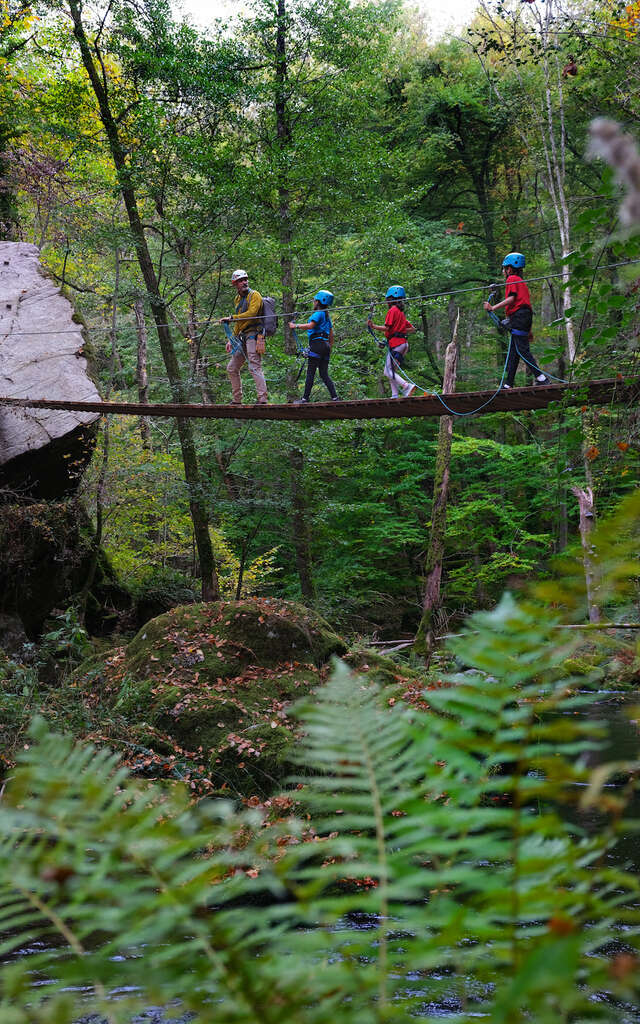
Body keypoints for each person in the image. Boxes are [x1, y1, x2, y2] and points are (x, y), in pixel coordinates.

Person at [484, 253, 549, 389]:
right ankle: (508, 383)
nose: (503, 271)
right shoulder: (521, 282)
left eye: (504, 268)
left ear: (509, 269)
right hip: (524, 317)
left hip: (519, 317)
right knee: (514, 353)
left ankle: (541, 378)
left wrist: (493, 307)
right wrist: (528, 330)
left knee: (522, 350)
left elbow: (512, 299)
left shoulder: (512, 279)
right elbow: (526, 305)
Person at [221, 269, 268, 405]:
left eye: (245, 279)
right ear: (235, 284)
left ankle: (262, 399)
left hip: (254, 334)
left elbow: (252, 313)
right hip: (242, 336)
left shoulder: (255, 295)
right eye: (240, 281)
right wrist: (231, 339)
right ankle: (237, 400)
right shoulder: (237, 299)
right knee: (232, 368)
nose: (244, 282)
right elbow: (239, 322)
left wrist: (232, 318)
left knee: (254, 365)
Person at [289, 290, 339, 403]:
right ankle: (335, 397)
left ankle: (305, 398)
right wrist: (329, 347)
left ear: (318, 302)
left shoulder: (318, 313)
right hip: (325, 346)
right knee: (324, 374)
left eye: (314, 300)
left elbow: (311, 325)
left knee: (310, 373)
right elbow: (331, 334)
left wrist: (295, 326)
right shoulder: (327, 316)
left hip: (317, 344)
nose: (313, 302)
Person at [367, 286, 416, 398]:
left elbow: (387, 328)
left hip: (396, 344)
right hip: (403, 344)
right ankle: (395, 395)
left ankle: (406, 386)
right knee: (391, 370)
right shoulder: (400, 313)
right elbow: (412, 329)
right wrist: (399, 331)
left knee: (387, 371)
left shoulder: (392, 311)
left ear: (390, 299)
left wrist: (373, 326)